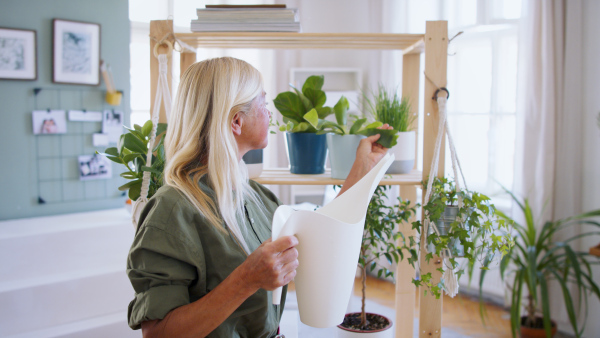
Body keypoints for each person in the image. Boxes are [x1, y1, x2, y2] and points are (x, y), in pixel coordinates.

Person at [126, 57, 391, 338]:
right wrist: (246, 279)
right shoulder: (171, 210)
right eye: (263, 104)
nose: (269, 114)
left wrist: (362, 169)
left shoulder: (257, 198)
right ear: (237, 121)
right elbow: (157, 333)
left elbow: (322, 240)